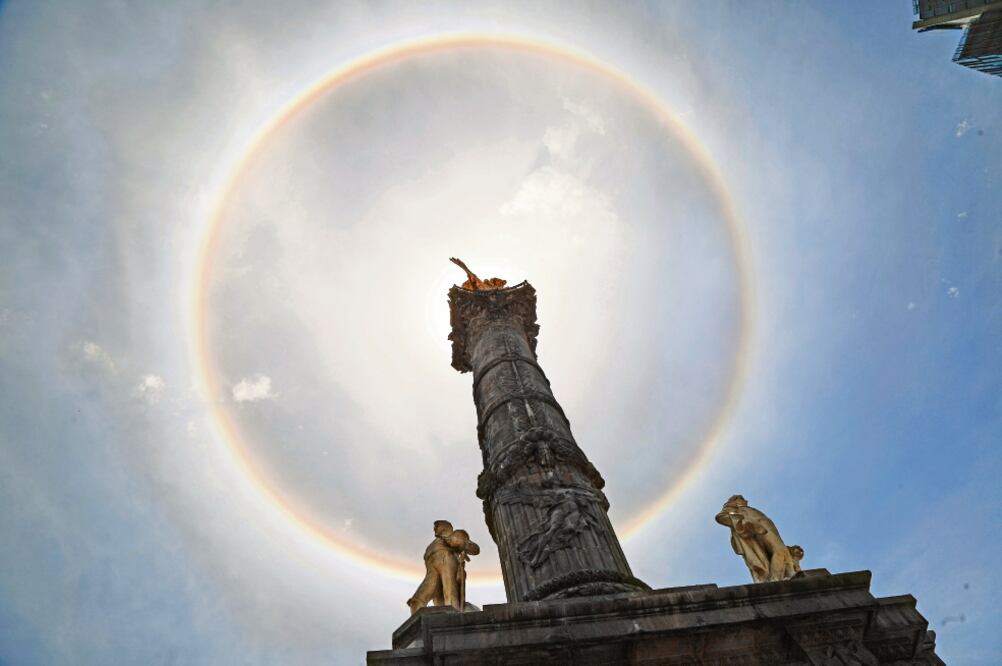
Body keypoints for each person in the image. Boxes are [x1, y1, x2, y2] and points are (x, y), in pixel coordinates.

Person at [406, 520, 480, 614]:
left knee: (449, 592)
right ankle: (417, 617)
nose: (435, 528)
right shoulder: (433, 545)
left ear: (446, 527)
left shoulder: (455, 535)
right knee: (417, 600)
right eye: (435, 527)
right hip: (432, 568)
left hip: (447, 560)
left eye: (437, 526)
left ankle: (454, 615)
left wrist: (463, 545)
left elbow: (475, 549)